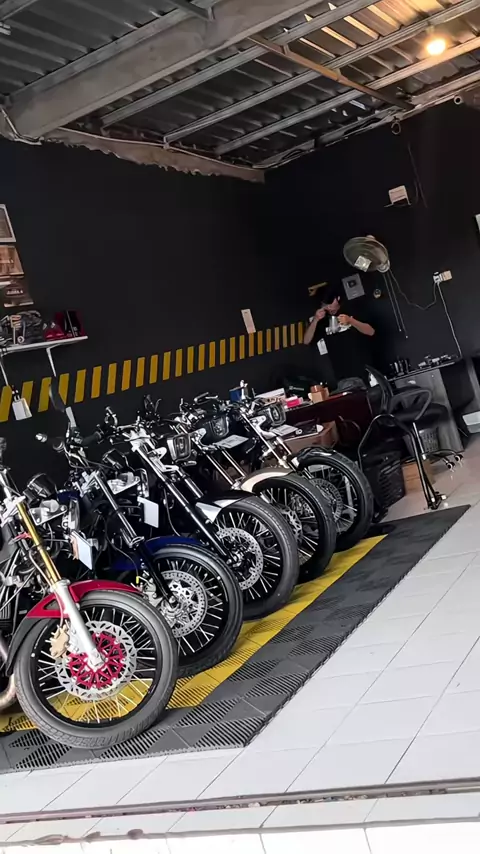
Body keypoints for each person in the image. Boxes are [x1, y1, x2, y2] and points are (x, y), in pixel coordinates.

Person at [303, 285, 375, 384]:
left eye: (331, 303)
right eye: (325, 305)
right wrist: (315, 320)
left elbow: (371, 331)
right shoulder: (322, 320)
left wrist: (351, 321)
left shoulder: (351, 309)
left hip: (365, 368)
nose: (329, 307)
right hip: (342, 375)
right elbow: (306, 341)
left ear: (338, 298)